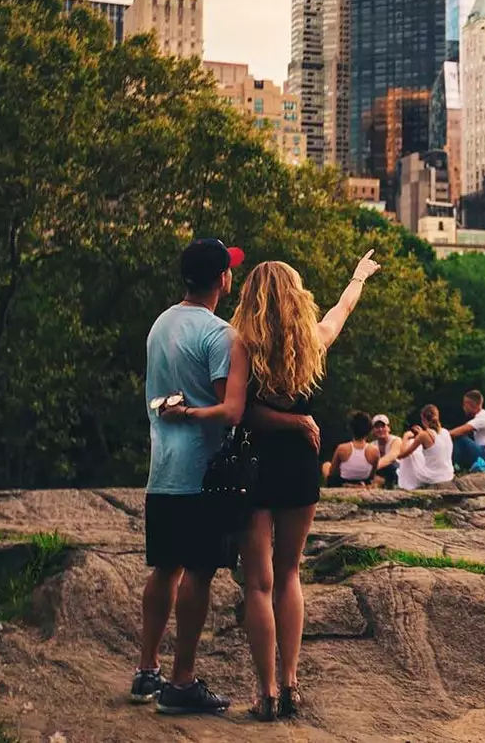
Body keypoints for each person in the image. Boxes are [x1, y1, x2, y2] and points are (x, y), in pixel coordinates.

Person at [177, 251, 379, 722]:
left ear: (249, 297)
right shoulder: (311, 341)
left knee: (258, 583)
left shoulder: (240, 344)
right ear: (296, 296)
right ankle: (291, 684)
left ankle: (265, 691)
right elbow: (340, 311)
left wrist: (284, 421)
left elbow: (240, 411)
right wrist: (357, 276)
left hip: (253, 468)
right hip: (301, 467)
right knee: (290, 574)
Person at [132, 238, 247, 715]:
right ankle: (182, 681)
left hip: (162, 470)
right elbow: (227, 411)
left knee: (165, 569)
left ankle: (146, 671)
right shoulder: (221, 334)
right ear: (223, 278)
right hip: (203, 474)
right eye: (229, 270)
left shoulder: (161, 324)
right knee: (198, 574)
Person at [396, 404, 456, 491]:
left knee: (410, 446)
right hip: (448, 474)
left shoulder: (424, 435)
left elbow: (402, 455)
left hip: (433, 477)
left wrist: (405, 438)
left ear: (423, 419)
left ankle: (405, 486)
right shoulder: (446, 432)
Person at [449, 390, 485, 472]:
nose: (463, 407)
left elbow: (457, 432)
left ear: (470, 405)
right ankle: (458, 467)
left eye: (464, 404)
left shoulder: (483, 419)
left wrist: (439, 435)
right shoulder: (483, 417)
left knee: (460, 439)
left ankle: (453, 467)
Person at [325, 411, 378, 487]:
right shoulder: (374, 450)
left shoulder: (342, 448)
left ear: (351, 428)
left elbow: (333, 472)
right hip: (364, 481)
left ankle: (348, 485)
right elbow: (372, 475)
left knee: (326, 465)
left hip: (343, 481)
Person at [368, 414, 403, 488]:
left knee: (392, 465)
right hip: (380, 472)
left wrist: (369, 470)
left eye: (383, 426)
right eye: (377, 427)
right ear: (373, 430)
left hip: (397, 472)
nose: (380, 429)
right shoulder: (371, 445)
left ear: (389, 428)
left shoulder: (396, 440)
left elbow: (390, 458)